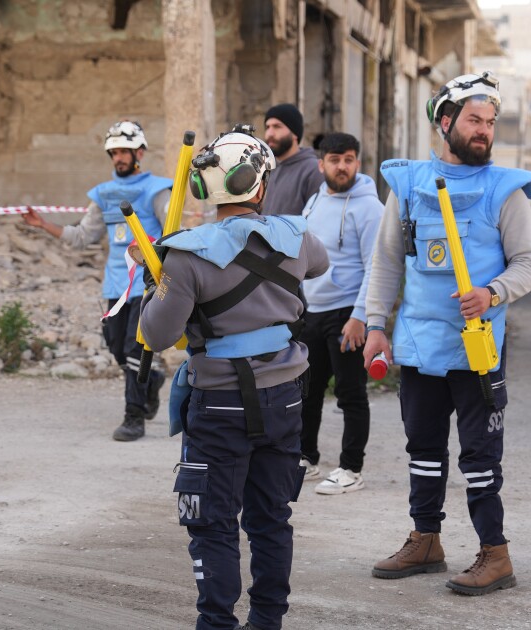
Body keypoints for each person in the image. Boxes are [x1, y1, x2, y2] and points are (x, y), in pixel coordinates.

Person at [139, 127, 329, 630]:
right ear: (260, 187)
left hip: (219, 401)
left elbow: (157, 335)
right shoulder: (297, 236)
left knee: (213, 524)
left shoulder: (184, 254)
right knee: (271, 519)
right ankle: (268, 622)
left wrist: (154, 279)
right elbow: (319, 265)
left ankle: (217, 623)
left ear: (202, 190)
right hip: (285, 399)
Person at [362, 72, 531, 596]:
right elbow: (387, 262)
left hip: (477, 348)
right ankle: (426, 539)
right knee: (423, 448)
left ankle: (496, 553)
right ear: (445, 121)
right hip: (418, 346)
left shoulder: (506, 191)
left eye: (490, 122)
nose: (484, 130)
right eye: (473, 120)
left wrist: (493, 292)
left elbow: (528, 265)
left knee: (480, 456)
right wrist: (376, 326)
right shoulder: (408, 183)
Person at [22, 120, 169, 442]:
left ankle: (134, 417)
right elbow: (83, 235)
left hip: (146, 283)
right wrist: (43, 225)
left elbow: (172, 230)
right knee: (117, 348)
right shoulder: (103, 194)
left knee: (134, 348)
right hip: (115, 285)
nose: (119, 157)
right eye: (114, 152)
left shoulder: (157, 190)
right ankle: (153, 379)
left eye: (124, 151)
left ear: (139, 152)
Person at [297, 132, 383, 495]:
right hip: (312, 310)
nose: (342, 166)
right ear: (321, 165)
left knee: (350, 393)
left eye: (349, 159)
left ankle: (351, 468)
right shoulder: (315, 201)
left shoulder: (369, 208)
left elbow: (376, 266)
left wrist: (360, 315)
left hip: (347, 311)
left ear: (357, 163)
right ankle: (306, 458)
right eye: (335, 160)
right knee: (308, 390)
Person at [260, 103, 323, 216]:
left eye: (277, 126)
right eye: (267, 127)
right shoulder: (267, 169)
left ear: (294, 134)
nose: (269, 133)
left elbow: (317, 221)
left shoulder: (313, 170)